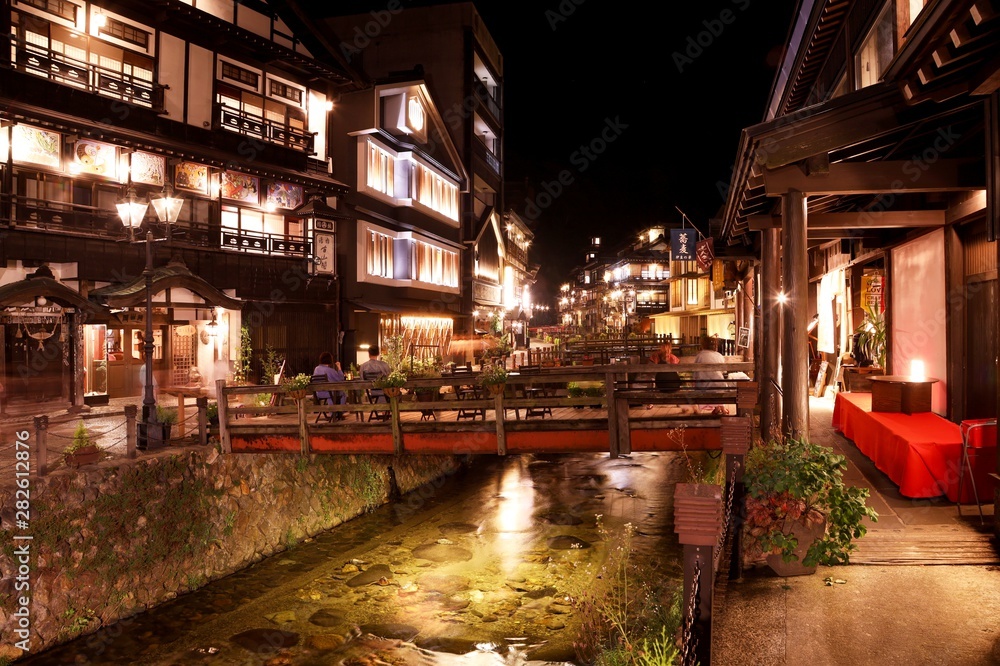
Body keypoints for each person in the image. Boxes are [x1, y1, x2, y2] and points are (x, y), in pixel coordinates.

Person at [694, 336, 731, 415]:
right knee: (719, 384)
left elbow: (695, 374)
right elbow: (724, 372)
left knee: (703, 385)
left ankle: (718, 407)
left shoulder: (700, 356)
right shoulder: (719, 355)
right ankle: (721, 407)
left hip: (705, 387)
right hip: (719, 386)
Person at [312, 351, 346, 417]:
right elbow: (341, 379)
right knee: (342, 393)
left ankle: (334, 413)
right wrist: (339, 367)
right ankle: (339, 412)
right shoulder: (330, 370)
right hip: (329, 393)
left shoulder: (316, 369)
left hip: (318, 393)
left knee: (332, 393)